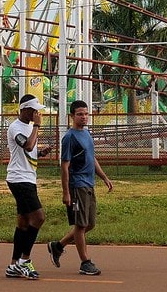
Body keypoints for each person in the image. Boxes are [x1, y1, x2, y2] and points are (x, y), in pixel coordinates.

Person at [47, 99, 113, 276]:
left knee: (89, 224)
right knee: (81, 225)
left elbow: (92, 158)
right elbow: (64, 166)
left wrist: (104, 177)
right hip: (77, 186)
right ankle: (85, 262)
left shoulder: (87, 133)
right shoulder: (69, 137)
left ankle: (58, 246)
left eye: (86, 114)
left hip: (89, 184)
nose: (84, 117)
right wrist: (66, 192)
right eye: (80, 114)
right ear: (72, 116)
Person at [5, 94, 52, 280]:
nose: (36, 113)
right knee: (39, 217)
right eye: (33, 110)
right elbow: (27, 145)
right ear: (24, 109)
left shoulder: (28, 127)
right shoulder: (15, 127)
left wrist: (40, 153)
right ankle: (24, 261)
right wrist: (37, 127)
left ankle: (13, 264)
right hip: (19, 179)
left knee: (24, 223)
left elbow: (30, 151)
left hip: (27, 177)